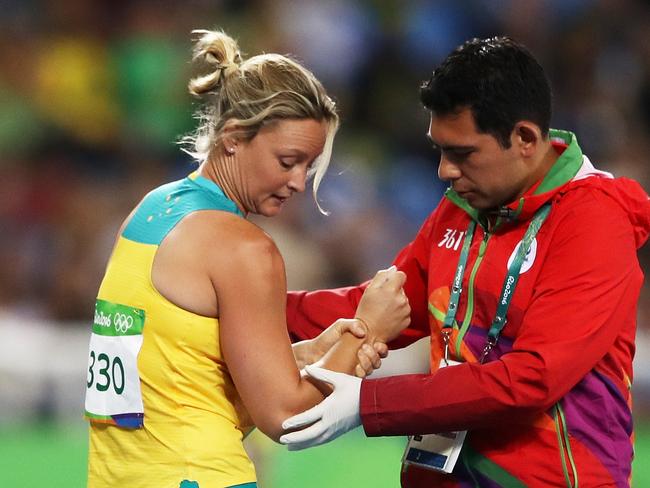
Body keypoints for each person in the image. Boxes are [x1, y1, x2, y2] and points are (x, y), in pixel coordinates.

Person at [281, 36, 650, 487]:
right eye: (440, 149)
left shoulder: (593, 221)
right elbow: (380, 305)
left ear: (525, 139)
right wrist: (253, 307)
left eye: (462, 153)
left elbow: (533, 378)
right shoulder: (463, 206)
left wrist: (369, 402)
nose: (444, 171)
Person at [84, 29, 411, 488]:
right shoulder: (244, 248)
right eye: (288, 160)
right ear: (234, 137)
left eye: (308, 166)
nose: (298, 181)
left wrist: (311, 354)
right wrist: (368, 331)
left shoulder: (150, 210)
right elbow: (286, 417)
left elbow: (179, 372)